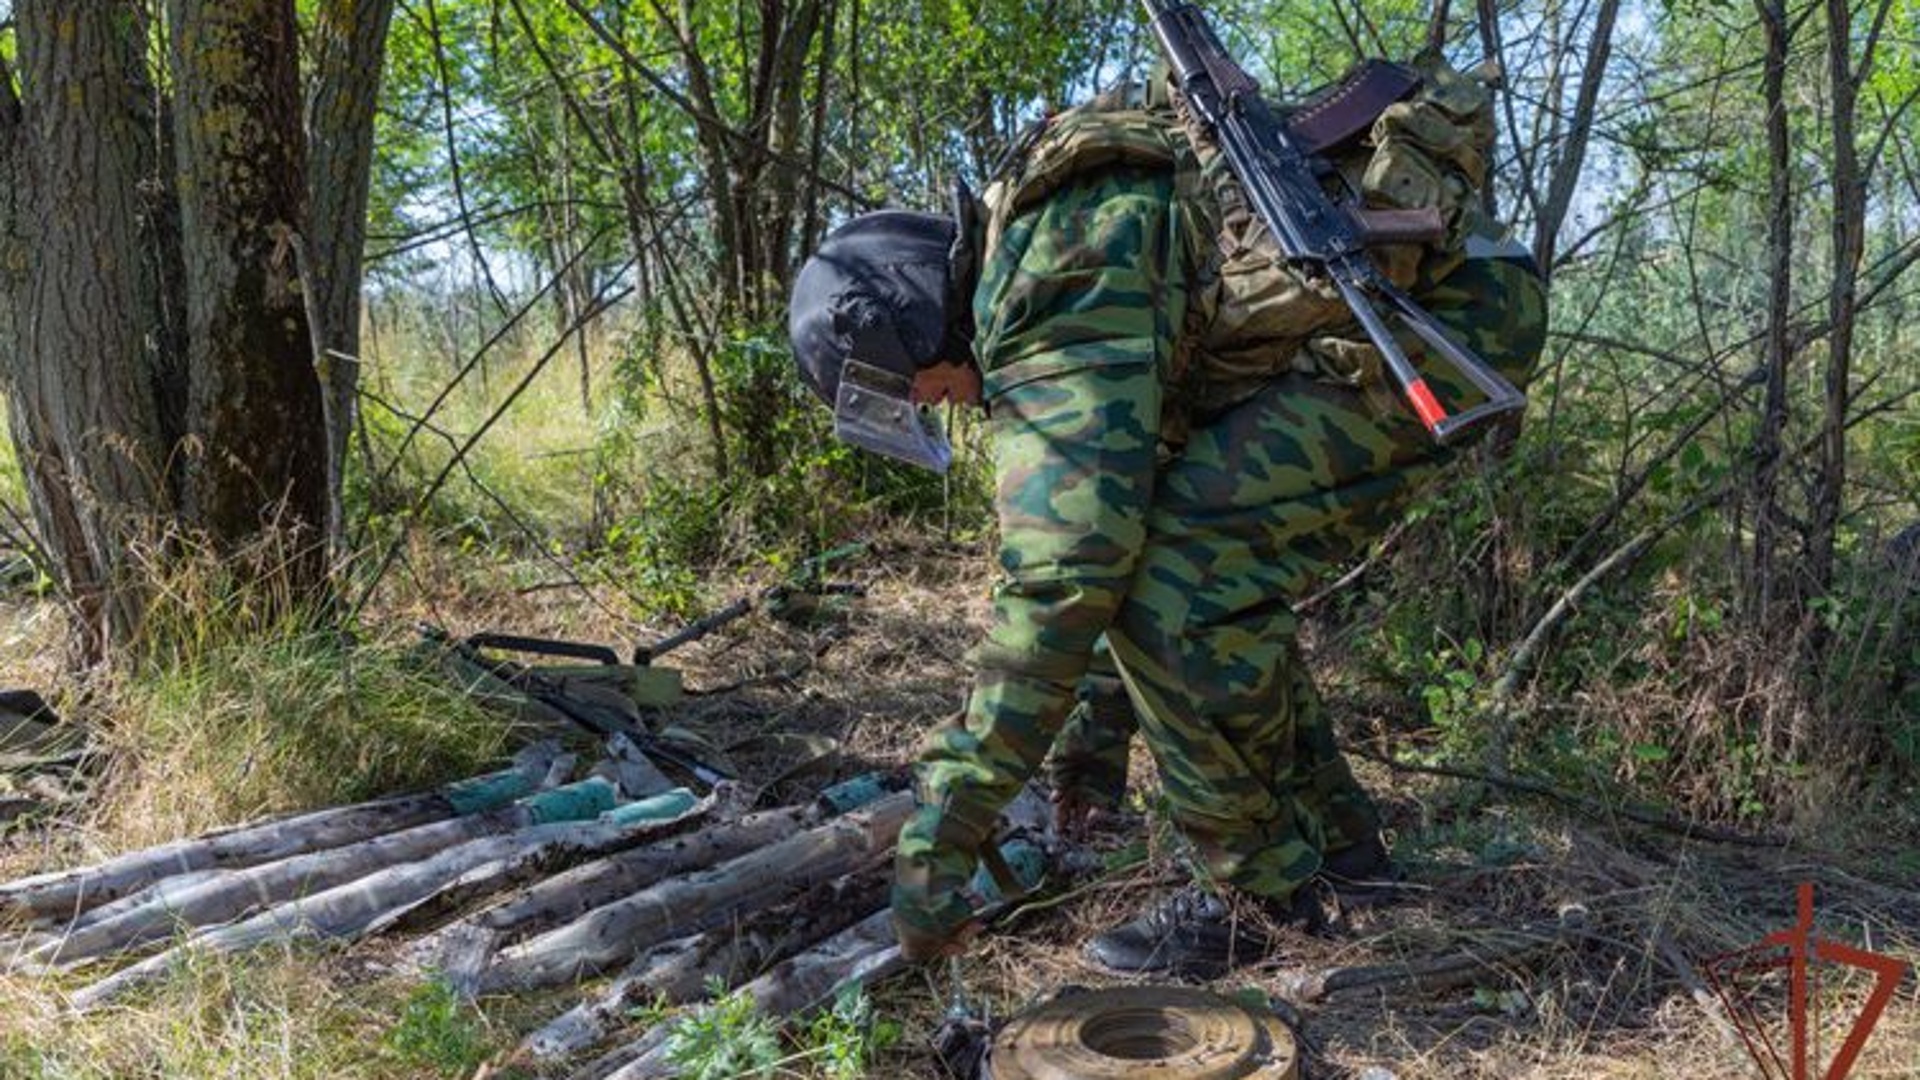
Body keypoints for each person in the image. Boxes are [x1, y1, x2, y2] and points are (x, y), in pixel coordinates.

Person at [788, 52, 1547, 978]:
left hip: (1435, 323)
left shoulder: (1045, 287)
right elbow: (1117, 527)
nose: (945, 403)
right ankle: (1346, 854)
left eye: (925, 392)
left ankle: (1260, 897)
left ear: (919, 332)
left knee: (1182, 584)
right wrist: (1090, 758)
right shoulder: (1053, 241)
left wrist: (941, 835)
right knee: (1200, 565)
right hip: (1447, 302)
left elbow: (1067, 579)